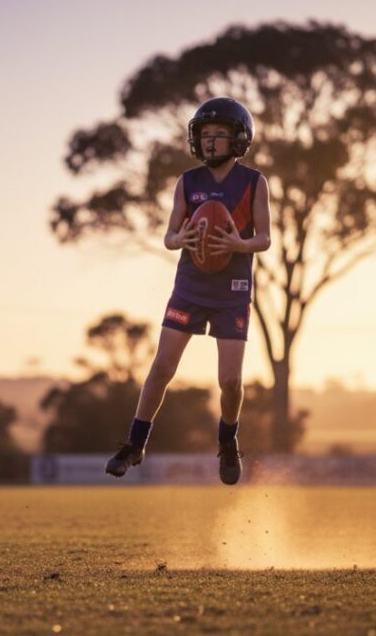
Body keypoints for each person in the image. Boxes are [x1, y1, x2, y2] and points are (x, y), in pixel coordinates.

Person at [105, 97, 271, 485]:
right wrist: (181, 237)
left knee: (230, 381)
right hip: (191, 286)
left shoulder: (253, 182)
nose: (211, 142)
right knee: (162, 367)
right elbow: (168, 236)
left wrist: (237, 245)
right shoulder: (187, 181)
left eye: (219, 135)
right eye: (205, 135)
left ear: (239, 139)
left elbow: (263, 238)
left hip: (232, 288)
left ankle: (228, 442)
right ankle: (135, 443)